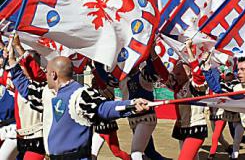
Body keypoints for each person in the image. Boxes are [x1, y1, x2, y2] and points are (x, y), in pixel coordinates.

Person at [8, 46, 150, 160]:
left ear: (53, 74)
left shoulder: (80, 94)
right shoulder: (47, 93)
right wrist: (12, 62)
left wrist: (130, 105)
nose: (45, 75)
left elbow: (103, 107)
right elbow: (26, 89)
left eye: (47, 72)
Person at [119, 47, 167, 160]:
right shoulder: (121, 78)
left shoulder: (142, 76)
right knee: (149, 152)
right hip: (133, 119)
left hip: (145, 119)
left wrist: (150, 52)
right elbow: (105, 81)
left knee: (136, 153)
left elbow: (153, 72)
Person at [204, 55, 245, 159]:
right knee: (234, 139)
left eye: (243, 69)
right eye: (238, 69)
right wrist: (207, 71)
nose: (238, 72)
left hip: (231, 118)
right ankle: (233, 154)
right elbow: (218, 90)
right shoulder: (236, 86)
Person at [90, 62, 130, 160]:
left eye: (95, 82)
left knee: (117, 152)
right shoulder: (96, 92)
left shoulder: (108, 89)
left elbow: (102, 84)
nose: (93, 84)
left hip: (108, 127)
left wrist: (92, 67)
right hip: (99, 127)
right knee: (92, 154)